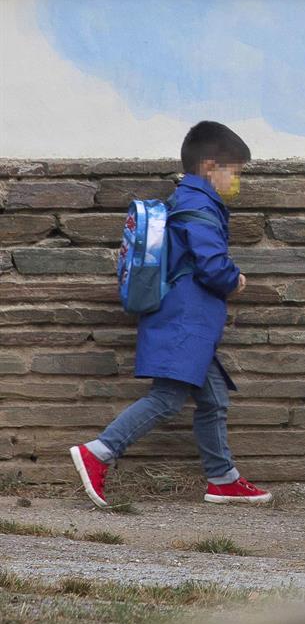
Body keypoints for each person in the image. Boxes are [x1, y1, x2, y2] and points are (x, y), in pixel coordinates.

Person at [69, 122, 271, 509]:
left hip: (187, 318)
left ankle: (222, 479)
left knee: (212, 400)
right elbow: (211, 265)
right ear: (211, 166)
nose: (237, 181)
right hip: (186, 317)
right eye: (236, 172)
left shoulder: (189, 200)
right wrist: (235, 280)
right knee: (167, 397)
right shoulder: (198, 204)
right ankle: (100, 451)